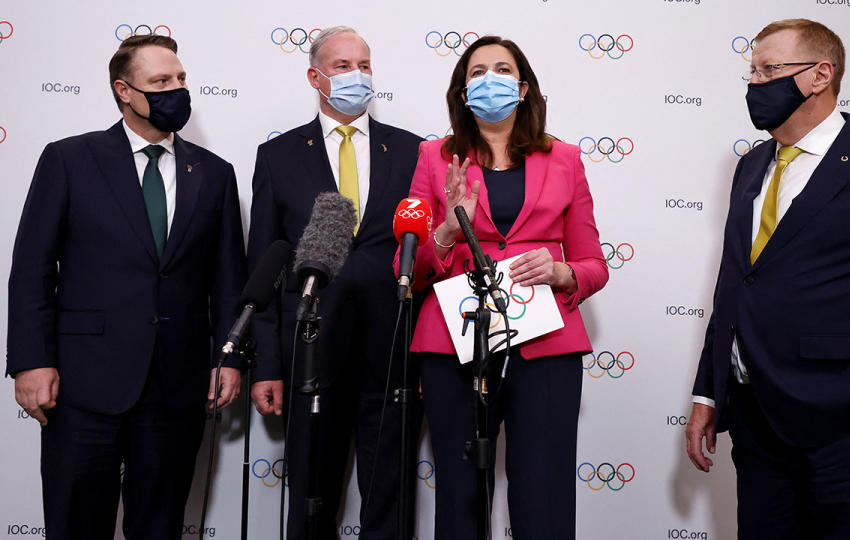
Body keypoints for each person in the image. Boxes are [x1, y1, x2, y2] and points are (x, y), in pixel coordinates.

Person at [684, 19, 850, 540]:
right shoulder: (752, 165)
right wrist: (708, 395)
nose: (754, 84)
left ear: (820, 75)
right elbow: (737, 286)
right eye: (752, 71)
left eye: (770, 70)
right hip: (757, 424)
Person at [6, 34, 246, 539]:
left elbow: (228, 281)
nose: (176, 90)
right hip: (82, 383)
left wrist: (230, 358)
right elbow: (31, 268)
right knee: (75, 524)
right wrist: (30, 360)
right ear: (124, 91)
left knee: (158, 526)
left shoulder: (216, 174)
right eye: (160, 82)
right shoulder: (70, 159)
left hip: (177, 386)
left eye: (180, 79)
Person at [401, 35, 608, 540]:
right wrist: (448, 231)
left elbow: (594, 265)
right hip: (455, 343)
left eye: (501, 69)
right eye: (476, 72)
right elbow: (407, 267)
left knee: (545, 490)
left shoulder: (566, 158)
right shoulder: (435, 157)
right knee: (460, 490)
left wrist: (561, 272)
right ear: (462, 90)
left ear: (523, 86)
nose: (488, 79)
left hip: (547, 344)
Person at [247, 26, 423, 540]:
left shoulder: (413, 151)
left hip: (393, 350)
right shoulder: (278, 157)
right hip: (309, 353)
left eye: (364, 65)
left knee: (391, 492)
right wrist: (267, 367)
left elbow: (427, 257)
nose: (357, 75)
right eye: (343, 66)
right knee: (309, 495)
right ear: (315, 76)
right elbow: (266, 266)